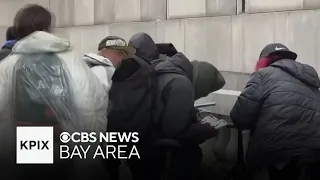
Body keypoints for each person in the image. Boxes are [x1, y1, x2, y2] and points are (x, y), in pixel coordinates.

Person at [0, 4, 109, 180]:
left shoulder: (7, 66)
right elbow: (90, 105)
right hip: (66, 153)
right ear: (48, 27)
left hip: (21, 156)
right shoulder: (73, 63)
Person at [128, 32, 222, 180]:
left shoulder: (154, 71)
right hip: (162, 154)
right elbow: (174, 130)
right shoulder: (180, 83)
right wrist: (204, 130)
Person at [230, 43, 320, 180]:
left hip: (279, 153)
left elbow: (240, 117)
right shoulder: (310, 79)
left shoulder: (262, 75)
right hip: (314, 150)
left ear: (264, 60)